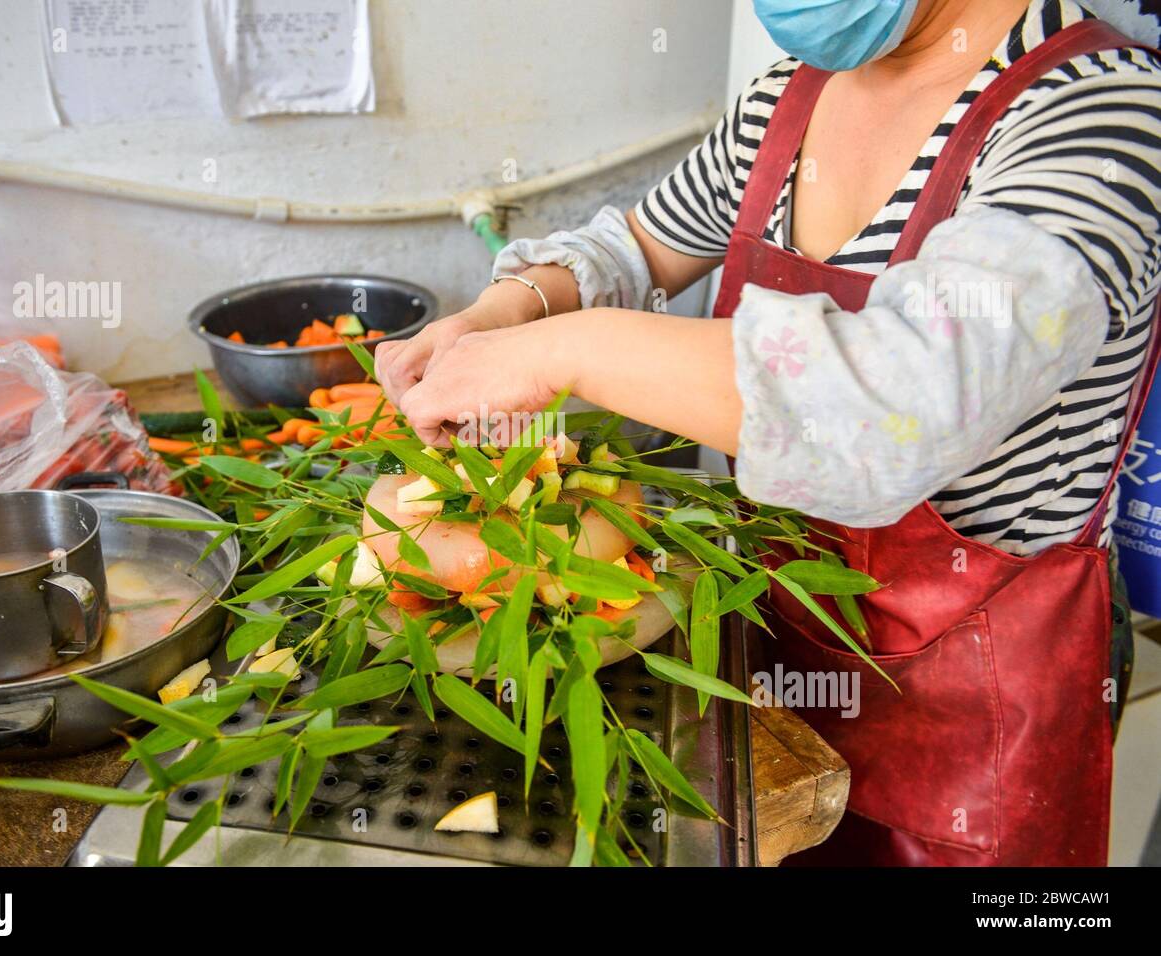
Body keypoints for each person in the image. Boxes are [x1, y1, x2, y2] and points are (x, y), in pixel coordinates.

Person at [374, 0, 1161, 865]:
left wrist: (564, 351)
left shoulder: (1102, 111)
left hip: (975, 713)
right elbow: (640, 246)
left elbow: (898, 401)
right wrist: (506, 313)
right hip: (763, 642)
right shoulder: (792, 95)